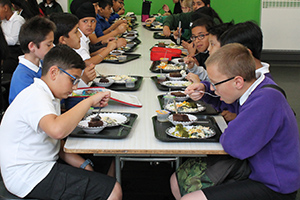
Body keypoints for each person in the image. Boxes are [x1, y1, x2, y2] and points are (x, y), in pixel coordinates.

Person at [171, 43, 300, 200]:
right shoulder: (254, 87)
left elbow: (233, 145)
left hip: (274, 185)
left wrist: (231, 128)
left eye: (214, 83)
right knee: (176, 180)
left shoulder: (266, 100)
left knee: (190, 198)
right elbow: (226, 102)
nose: (212, 88)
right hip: (253, 168)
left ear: (237, 82)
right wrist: (204, 90)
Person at [0, 44, 122, 199]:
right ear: (54, 72)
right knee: (113, 190)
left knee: (105, 163)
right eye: (73, 80)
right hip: (28, 176)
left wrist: (82, 164)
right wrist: (89, 101)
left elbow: (53, 143)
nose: (74, 87)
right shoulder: (36, 96)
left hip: (40, 166)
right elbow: (57, 131)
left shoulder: (50, 96)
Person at [219, 21, 272, 122]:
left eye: (229, 55)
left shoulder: (264, 89)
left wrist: (238, 117)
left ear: (247, 54)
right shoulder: (245, 76)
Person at [8, 16, 55, 104]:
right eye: (48, 45)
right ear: (32, 46)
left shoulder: (44, 65)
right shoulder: (22, 77)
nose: (52, 47)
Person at [72, 1, 126, 66]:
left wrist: (99, 51)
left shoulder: (85, 36)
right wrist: (108, 49)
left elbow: (84, 56)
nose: (89, 24)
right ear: (77, 23)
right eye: (85, 21)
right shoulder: (79, 39)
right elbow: (87, 63)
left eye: (92, 21)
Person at [49, 12, 96, 87]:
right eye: (76, 32)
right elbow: (63, 95)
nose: (80, 35)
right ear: (63, 40)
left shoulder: (68, 54)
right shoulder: (57, 62)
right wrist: (83, 80)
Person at [183, 16, 215, 83]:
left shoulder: (217, 57)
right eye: (194, 37)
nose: (197, 41)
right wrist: (193, 67)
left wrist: (192, 54)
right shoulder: (202, 54)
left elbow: (213, 82)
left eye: (201, 36)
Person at [0, 0, 25, 74]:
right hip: (5, 49)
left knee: (5, 67)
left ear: (5, 8)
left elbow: (13, 40)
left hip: (15, 52)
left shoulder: (17, 20)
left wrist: (2, 40)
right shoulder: (3, 21)